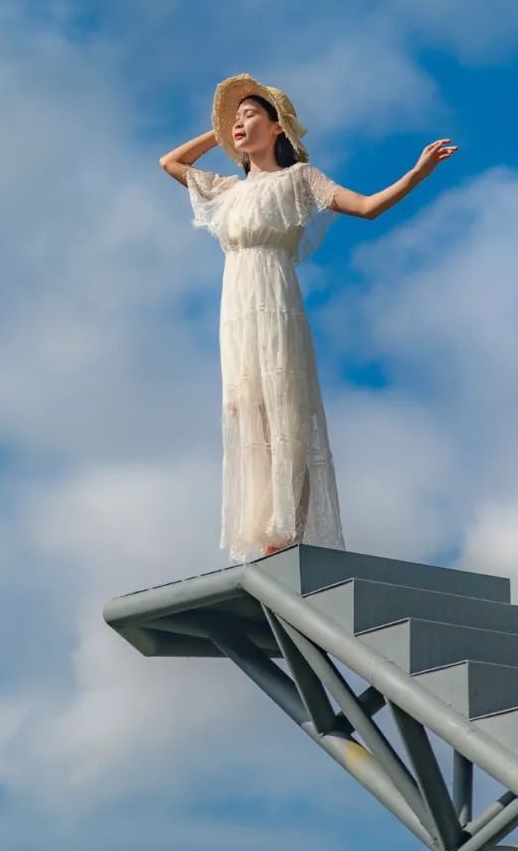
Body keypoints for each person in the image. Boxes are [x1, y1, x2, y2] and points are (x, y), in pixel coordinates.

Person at [160, 73, 458, 564]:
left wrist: (418, 173)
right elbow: (170, 163)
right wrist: (219, 133)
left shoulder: (299, 179)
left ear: (278, 127)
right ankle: (261, 531)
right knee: (247, 408)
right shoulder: (226, 189)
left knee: (284, 409)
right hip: (235, 307)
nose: (239, 123)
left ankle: (287, 533)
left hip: (274, 297)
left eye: (250, 115)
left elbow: (366, 207)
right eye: (234, 119)